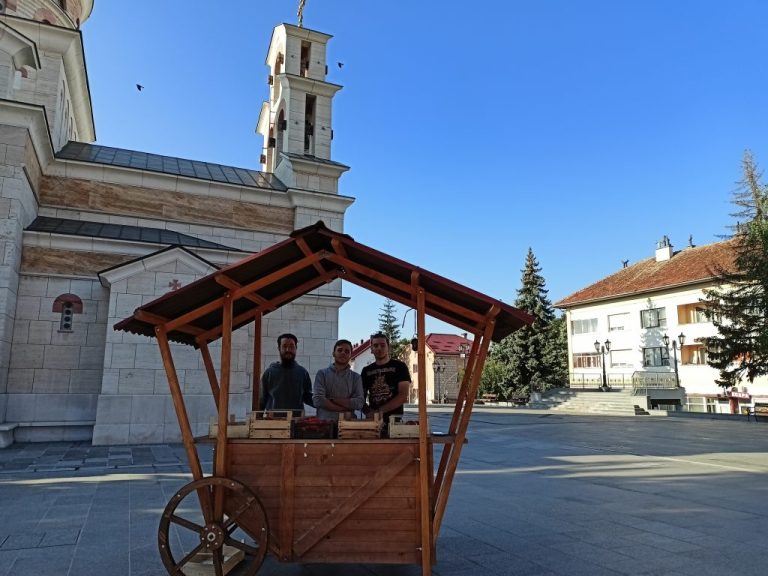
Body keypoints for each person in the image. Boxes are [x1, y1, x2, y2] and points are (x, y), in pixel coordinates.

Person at [361, 333, 411, 425]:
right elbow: (360, 398)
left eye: (383, 345)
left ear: (389, 347)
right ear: (371, 349)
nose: (379, 348)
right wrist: (368, 412)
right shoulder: (366, 371)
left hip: (394, 421)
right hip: (373, 422)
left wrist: (379, 411)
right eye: (375, 345)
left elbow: (403, 396)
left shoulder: (400, 367)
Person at [260, 333, 313, 415]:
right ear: (279, 348)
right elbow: (261, 400)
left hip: (296, 422)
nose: (288, 350)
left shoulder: (303, 373)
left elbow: (308, 397)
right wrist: (257, 421)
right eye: (284, 346)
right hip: (273, 422)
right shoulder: (269, 373)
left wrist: (326, 402)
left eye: (292, 346)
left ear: (296, 348)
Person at [312, 339, 364, 422]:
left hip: (348, 425)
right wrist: (343, 410)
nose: (343, 353)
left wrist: (332, 400)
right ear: (333, 353)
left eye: (347, 351)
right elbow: (318, 400)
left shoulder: (356, 377)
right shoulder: (322, 374)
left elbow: (359, 403)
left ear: (351, 355)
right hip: (324, 425)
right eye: (340, 350)